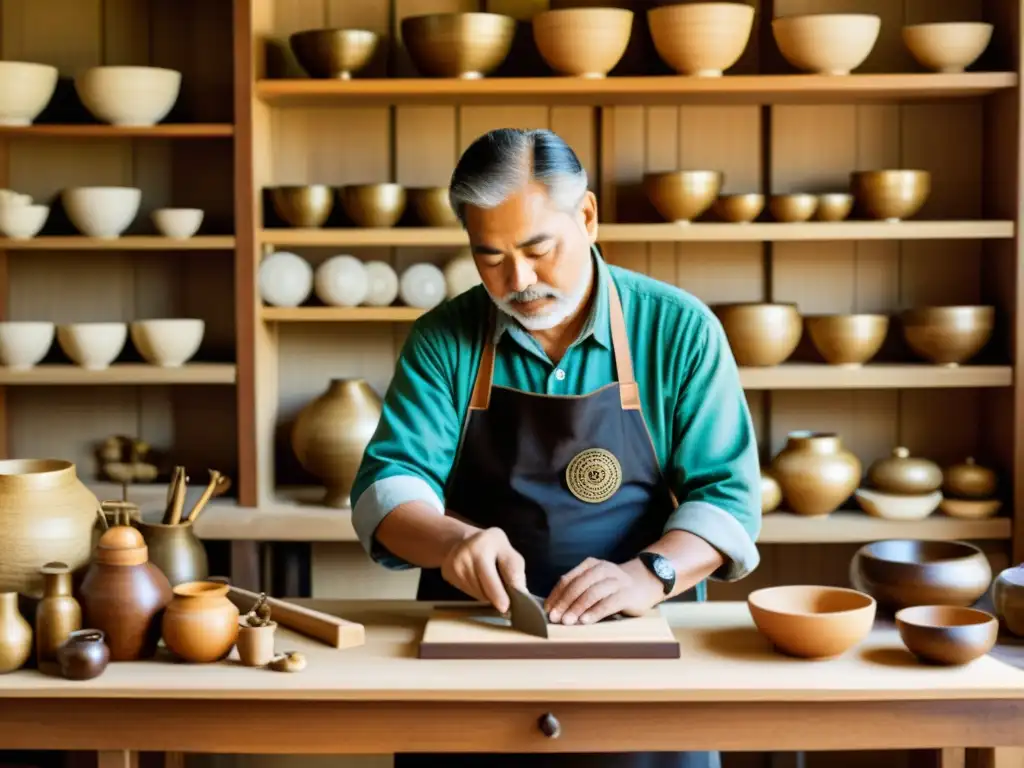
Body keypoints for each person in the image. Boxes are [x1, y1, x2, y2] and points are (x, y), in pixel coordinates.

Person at [351, 128, 762, 768]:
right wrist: (452, 543)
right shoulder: (444, 339)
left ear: (588, 217)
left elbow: (729, 501)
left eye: (540, 249)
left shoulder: (679, 329)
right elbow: (390, 485)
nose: (519, 279)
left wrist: (647, 574)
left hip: (638, 650)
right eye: (489, 257)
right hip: (474, 646)